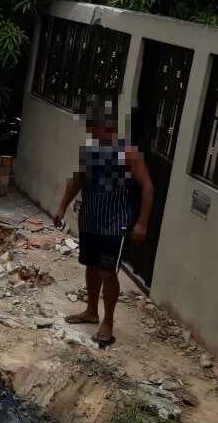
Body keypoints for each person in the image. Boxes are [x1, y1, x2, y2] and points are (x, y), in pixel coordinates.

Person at [53, 94, 153, 347]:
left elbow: (147, 187)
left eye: (94, 127)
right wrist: (62, 207)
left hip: (116, 224)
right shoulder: (90, 152)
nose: (91, 132)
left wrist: (142, 222)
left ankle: (108, 321)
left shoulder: (129, 153)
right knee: (91, 266)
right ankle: (91, 311)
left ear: (108, 126)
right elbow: (76, 181)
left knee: (107, 271)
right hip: (91, 220)